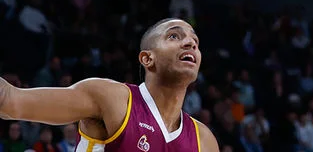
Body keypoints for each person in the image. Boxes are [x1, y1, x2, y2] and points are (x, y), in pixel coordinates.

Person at [0, 18, 219, 152]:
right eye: (174, 36)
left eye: (195, 41)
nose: (190, 43)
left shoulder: (204, 141)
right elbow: (9, 101)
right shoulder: (111, 99)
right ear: (147, 59)